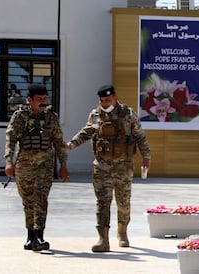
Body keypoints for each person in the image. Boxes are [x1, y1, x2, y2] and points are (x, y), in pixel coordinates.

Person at [67, 85, 151, 252]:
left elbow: (140, 137)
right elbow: (86, 132)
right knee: (102, 203)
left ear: (115, 98)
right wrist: (70, 145)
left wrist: (146, 157)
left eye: (107, 100)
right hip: (102, 166)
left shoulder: (128, 114)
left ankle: (122, 232)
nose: (104, 103)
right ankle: (103, 239)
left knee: (123, 202)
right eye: (101, 100)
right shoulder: (95, 114)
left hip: (123, 166)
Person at [4, 83, 69, 252]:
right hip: (24, 165)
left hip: (45, 165)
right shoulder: (20, 116)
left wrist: (63, 165)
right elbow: (10, 139)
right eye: (39, 99)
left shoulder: (51, 117)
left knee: (41, 198)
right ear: (30, 100)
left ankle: (39, 235)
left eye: (44, 98)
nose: (43, 101)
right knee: (28, 201)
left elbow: (58, 142)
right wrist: (9, 162)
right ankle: (30, 236)